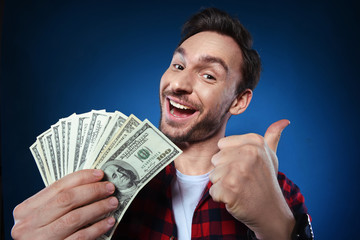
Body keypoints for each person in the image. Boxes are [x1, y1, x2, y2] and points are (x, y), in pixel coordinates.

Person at [11, 7, 313, 240]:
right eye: (178, 65)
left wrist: (277, 228)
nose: (179, 83)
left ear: (239, 101)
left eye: (208, 75)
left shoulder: (280, 192)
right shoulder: (99, 181)